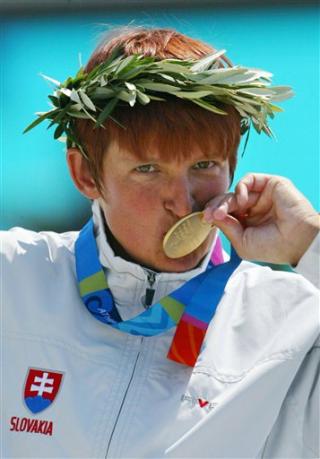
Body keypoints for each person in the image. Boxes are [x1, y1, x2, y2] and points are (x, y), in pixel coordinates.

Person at [2, 27, 319, 458]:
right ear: (85, 174)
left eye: (204, 165)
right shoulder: (14, 277)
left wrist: (310, 242)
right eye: (148, 169)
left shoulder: (292, 322)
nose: (182, 200)